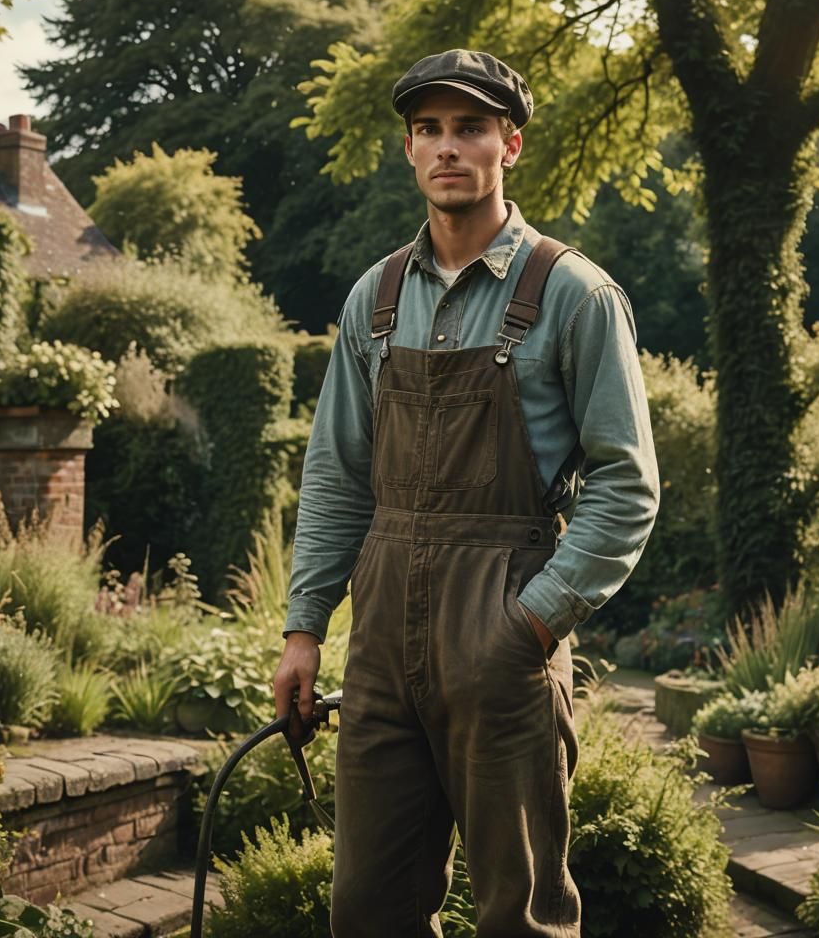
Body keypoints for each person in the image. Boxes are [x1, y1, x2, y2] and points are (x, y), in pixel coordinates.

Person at [273, 49, 660, 937]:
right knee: (367, 911)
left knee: (518, 918)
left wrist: (529, 624)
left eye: (470, 128)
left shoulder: (573, 294)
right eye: (428, 129)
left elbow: (626, 484)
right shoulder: (373, 298)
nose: (448, 147)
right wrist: (305, 631)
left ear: (509, 144)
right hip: (379, 644)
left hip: (504, 630)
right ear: (410, 151)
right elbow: (336, 475)